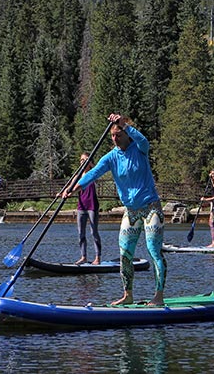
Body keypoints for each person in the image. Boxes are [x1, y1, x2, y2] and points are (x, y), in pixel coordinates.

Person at [64, 113, 165, 306]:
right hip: (131, 210)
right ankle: (128, 295)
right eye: (112, 136)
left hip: (151, 206)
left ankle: (158, 296)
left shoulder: (140, 148)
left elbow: (143, 140)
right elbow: (93, 173)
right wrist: (74, 188)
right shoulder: (111, 157)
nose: (115, 139)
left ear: (127, 134)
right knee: (125, 253)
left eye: (118, 135)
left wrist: (124, 125)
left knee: (154, 250)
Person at [66, 153, 101, 265]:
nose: (82, 162)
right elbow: (69, 188)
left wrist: (91, 164)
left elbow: (97, 171)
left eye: (85, 160)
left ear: (90, 163)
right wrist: (63, 193)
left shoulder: (93, 174)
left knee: (93, 232)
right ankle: (83, 257)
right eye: (81, 160)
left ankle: (97, 257)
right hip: (81, 207)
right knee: (81, 233)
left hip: (92, 206)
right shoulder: (77, 176)